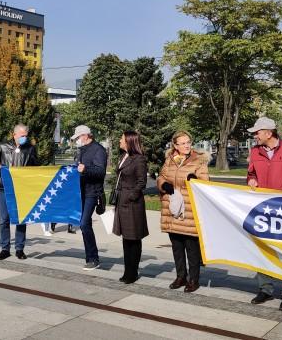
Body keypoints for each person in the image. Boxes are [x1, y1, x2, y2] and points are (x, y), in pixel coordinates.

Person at [246, 117, 282, 311]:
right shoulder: (255, 151)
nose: (255, 135)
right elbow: (251, 174)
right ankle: (265, 289)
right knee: (262, 250)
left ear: (268, 133)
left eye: (257, 132)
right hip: (262, 211)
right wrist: (252, 180)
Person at [157, 131, 210, 293]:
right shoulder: (170, 160)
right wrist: (164, 185)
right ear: (175, 146)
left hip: (189, 210)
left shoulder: (199, 160)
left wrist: (195, 179)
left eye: (188, 142)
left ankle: (193, 280)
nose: (187, 145)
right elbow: (161, 177)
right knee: (177, 246)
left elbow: (206, 182)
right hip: (172, 209)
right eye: (183, 143)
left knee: (191, 248)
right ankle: (181, 276)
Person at [0, 123, 38, 260]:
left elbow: (36, 166)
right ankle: (5, 248)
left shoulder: (30, 149)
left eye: (26, 135)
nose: (25, 138)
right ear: (15, 134)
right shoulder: (3, 146)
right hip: (4, 188)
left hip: (21, 189)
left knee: (20, 219)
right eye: (22, 135)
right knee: (4, 219)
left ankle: (19, 249)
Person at [113, 131, 149, 284]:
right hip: (122, 200)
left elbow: (142, 182)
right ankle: (127, 271)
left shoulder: (139, 159)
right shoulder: (123, 156)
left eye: (122, 138)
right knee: (126, 238)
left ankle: (132, 272)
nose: (119, 140)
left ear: (129, 141)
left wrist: (130, 196)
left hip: (132, 204)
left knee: (133, 238)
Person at [70, 125, 108, 270]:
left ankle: (93, 258)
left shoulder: (98, 150)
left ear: (85, 135)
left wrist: (85, 169)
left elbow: (100, 171)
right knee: (84, 224)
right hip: (81, 191)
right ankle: (90, 256)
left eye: (78, 137)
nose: (77, 140)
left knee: (84, 223)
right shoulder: (82, 150)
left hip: (93, 192)